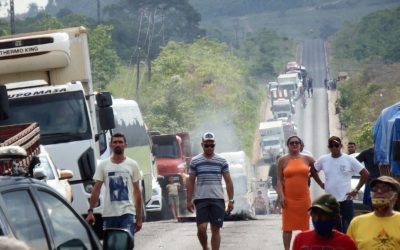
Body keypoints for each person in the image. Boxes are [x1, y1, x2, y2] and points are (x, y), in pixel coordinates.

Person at [86, 132, 143, 245]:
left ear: (125, 145)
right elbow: (96, 189)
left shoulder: (132, 164)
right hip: (109, 214)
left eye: (120, 142)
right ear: (111, 145)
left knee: (126, 244)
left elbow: (137, 192)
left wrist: (139, 216)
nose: (118, 144)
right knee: (111, 245)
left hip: (127, 213)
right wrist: (90, 211)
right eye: (115, 142)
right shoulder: (103, 165)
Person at [186, 132, 234, 250]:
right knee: (201, 228)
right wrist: (189, 200)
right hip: (201, 199)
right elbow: (191, 181)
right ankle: (205, 247)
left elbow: (228, 181)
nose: (209, 148)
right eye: (206, 145)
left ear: (214, 145)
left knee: (215, 229)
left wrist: (231, 200)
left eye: (211, 145)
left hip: (217, 199)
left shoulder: (221, 161)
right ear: (202, 145)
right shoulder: (195, 161)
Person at [311, 136, 369, 233]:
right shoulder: (323, 159)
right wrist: (321, 183)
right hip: (330, 202)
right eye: (331, 145)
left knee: (348, 229)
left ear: (341, 146)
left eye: (336, 145)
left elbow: (365, 173)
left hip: (346, 200)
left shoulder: (349, 159)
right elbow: (313, 171)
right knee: (332, 230)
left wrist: (356, 190)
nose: (334, 147)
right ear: (328, 147)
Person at [276, 135, 318, 250]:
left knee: (305, 227)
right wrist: (281, 196)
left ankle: (305, 247)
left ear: (300, 145)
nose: (294, 145)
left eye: (296, 143)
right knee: (287, 227)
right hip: (288, 199)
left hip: (303, 198)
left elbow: (318, 168)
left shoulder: (307, 159)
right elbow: (279, 180)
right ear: (288, 146)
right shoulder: (282, 160)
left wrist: (320, 181)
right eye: (292, 143)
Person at [347, 176, 400, 249]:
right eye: (375, 189)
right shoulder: (357, 222)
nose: (379, 191)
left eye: (386, 188)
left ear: (395, 196)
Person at [292, 194, 357, 250]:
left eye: (322, 214)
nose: (317, 218)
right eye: (314, 214)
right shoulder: (300, 239)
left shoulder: (347, 243)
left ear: (334, 217)